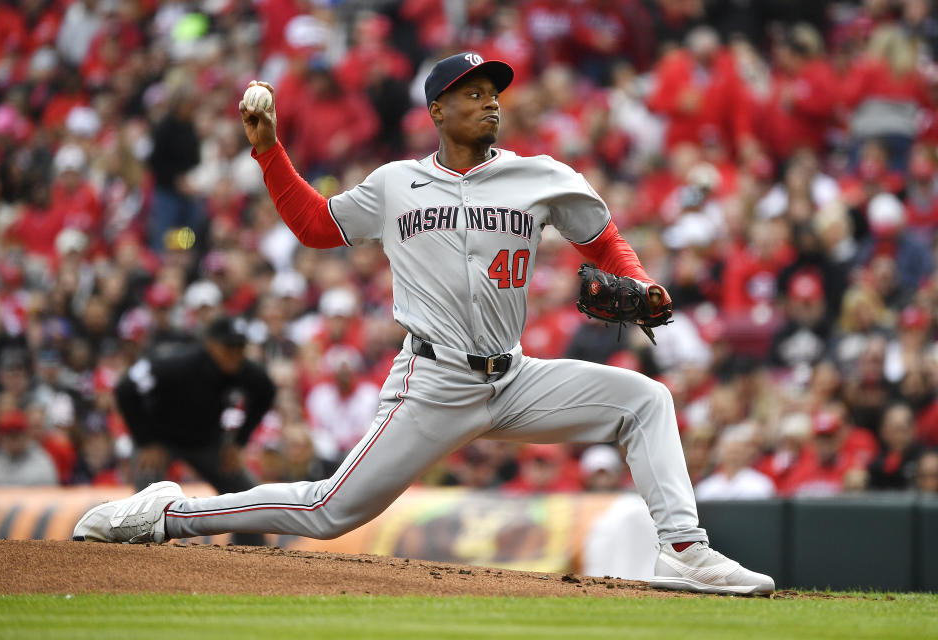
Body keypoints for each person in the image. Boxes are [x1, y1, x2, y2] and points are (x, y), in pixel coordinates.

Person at [74, 53, 774, 595]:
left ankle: (684, 552)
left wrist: (643, 282)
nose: (489, 101)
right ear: (438, 109)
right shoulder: (395, 183)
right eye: (472, 93)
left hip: (514, 375)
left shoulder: (542, 176)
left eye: (493, 91)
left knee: (645, 400)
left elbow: (603, 242)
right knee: (327, 511)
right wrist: (269, 151)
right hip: (431, 381)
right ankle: (164, 516)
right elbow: (317, 227)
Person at [111, 315, 276, 545]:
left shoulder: (246, 371)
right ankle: (141, 558)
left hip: (206, 442)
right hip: (160, 440)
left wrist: (238, 443)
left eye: (240, 347)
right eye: (228, 347)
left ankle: (252, 557)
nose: (235, 354)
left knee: (247, 496)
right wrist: (146, 440)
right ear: (211, 345)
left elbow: (267, 393)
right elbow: (125, 388)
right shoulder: (178, 364)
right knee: (147, 499)